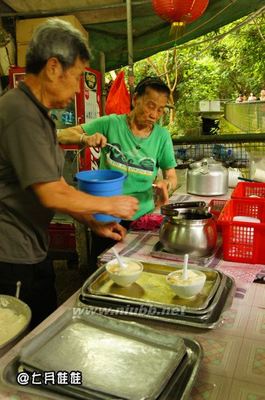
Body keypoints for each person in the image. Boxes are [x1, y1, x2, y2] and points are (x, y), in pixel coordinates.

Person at [0, 19, 138, 328]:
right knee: (18, 342)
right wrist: (108, 205)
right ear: (53, 68)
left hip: (32, 246)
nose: (78, 87)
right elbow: (49, 192)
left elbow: (56, 182)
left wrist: (91, 221)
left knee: (43, 326)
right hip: (9, 255)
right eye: (75, 76)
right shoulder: (18, 112)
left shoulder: (39, 116)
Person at [58, 76, 177, 270]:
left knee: (140, 269)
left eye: (160, 109)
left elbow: (171, 175)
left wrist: (167, 184)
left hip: (142, 219)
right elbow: (62, 135)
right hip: (107, 215)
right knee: (104, 268)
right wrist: (84, 138)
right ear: (135, 99)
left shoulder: (162, 137)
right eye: (150, 105)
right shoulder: (111, 124)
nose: (154, 114)